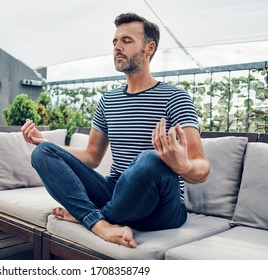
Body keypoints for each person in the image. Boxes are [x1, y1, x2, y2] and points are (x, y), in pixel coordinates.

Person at [21, 13, 210, 248]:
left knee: (151, 159)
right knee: (43, 152)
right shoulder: (108, 101)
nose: (117, 47)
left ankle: (89, 215)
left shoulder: (175, 98)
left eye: (127, 41)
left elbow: (201, 167)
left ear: (149, 48)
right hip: (116, 192)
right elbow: (91, 157)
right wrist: (45, 143)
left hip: (162, 208)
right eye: (114, 42)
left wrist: (183, 166)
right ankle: (99, 223)